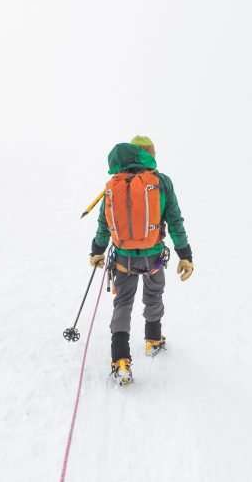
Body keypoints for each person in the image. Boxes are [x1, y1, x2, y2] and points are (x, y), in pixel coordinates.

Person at [89, 136, 193, 385]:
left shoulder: (114, 184)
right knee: (154, 294)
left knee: (122, 302)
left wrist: (97, 250)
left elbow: (104, 224)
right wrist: (185, 255)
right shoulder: (161, 182)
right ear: (149, 154)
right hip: (153, 257)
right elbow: (175, 221)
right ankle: (153, 340)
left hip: (123, 258)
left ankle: (121, 360)